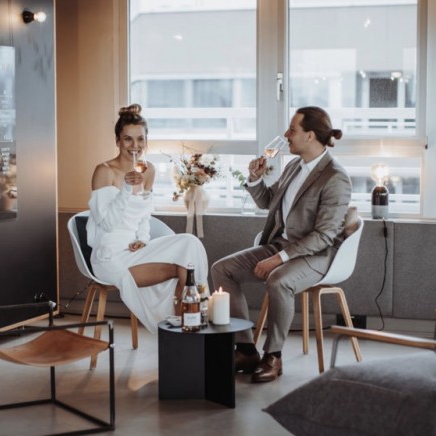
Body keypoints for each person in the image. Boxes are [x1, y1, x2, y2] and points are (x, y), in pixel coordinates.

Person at [211, 106, 353, 383]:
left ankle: (273, 356)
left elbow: (324, 236)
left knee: (279, 280)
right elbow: (268, 203)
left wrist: (280, 259)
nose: (286, 135)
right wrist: (254, 179)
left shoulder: (335, 177)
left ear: (310, 135)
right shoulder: (293, 166)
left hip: (316, 255)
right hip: (281, 245)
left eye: (292, 129)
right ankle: (245, 349)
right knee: (222, 269)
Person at [87, 104, 209, 333]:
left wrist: (143, 238)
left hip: (135, 249)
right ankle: (185, 331)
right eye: (127, 139)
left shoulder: (148, 170)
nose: (135, 146)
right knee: (184, 268)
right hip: (110, 255)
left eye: (140, 140)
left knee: (190, 245)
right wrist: (125, 187)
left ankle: (189, 326)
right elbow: (106, 223)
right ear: (117, 141)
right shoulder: (104, 171)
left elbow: (144, 215)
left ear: (146, 141)